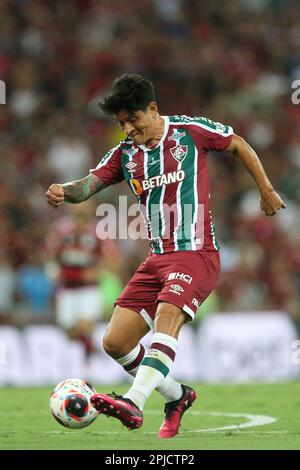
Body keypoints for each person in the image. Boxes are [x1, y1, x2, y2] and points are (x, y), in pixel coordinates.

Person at [46, 73, 286, 438]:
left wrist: (265, 189)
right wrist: (64, 191)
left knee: (167, 315)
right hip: (157, 259)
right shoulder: (125, 155)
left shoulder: (190, 131)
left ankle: (134, 402)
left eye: (133, 119)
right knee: (115, 343)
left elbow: (236, 143)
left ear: (153, 108)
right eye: (121, 123)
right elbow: (87, 187)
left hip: (196, 253)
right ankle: (177, 396)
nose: (127, 128)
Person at [46, 200, 121, 356]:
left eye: (85, 206)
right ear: (71, 207)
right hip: (66, 288)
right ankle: (91, 351)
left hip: (89, 288)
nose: (81, 209)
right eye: (78, 205)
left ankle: (89, 360)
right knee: (70, 332)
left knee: (85, 325)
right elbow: (50, 254)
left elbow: (114, 259)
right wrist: (54, 270)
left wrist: (96, 271)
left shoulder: (99, 231)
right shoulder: (60, 230)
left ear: (91, 209)